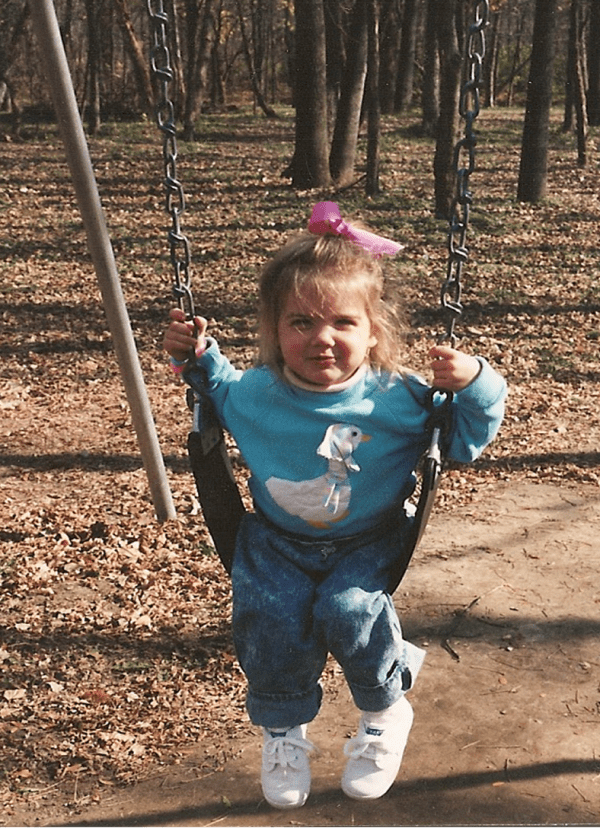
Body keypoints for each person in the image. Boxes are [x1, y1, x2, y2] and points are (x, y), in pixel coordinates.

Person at [163, 201, 507, 810]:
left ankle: (385, 712)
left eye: (343, 322)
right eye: (300, 322)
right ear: (274, 330)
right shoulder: (256, 393)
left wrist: (476, 381)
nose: (322, 338)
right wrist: (192, 352)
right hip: (275, 541)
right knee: (270, 619)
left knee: (350, 611)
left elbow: (462, 441)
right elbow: (212, 382)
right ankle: (282, 731)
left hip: (368, 540)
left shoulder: (399, 398)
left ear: (373, 330)